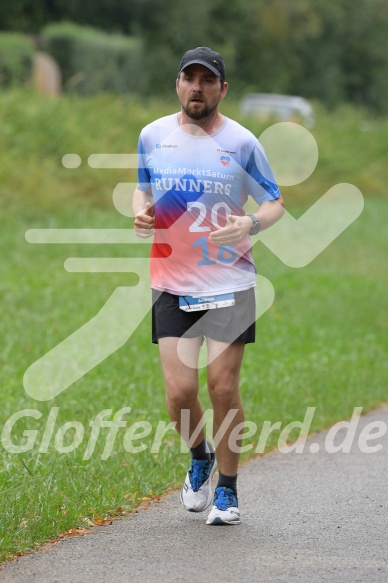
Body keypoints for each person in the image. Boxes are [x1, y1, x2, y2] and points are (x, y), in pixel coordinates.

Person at [133, 46, 284, 525]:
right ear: (177, 83)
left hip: (230, 281)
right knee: (179, 393)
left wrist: (250, 226)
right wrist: (140, 208)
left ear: (222, 88)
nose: (196, 87)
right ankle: (200, 456)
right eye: (188, 77)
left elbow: (274, 203)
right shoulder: (153, 135)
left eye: (207, 79)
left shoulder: (242, 143)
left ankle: (229, 490)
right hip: (172, 280)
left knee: (222, 386)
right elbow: (144, 186)